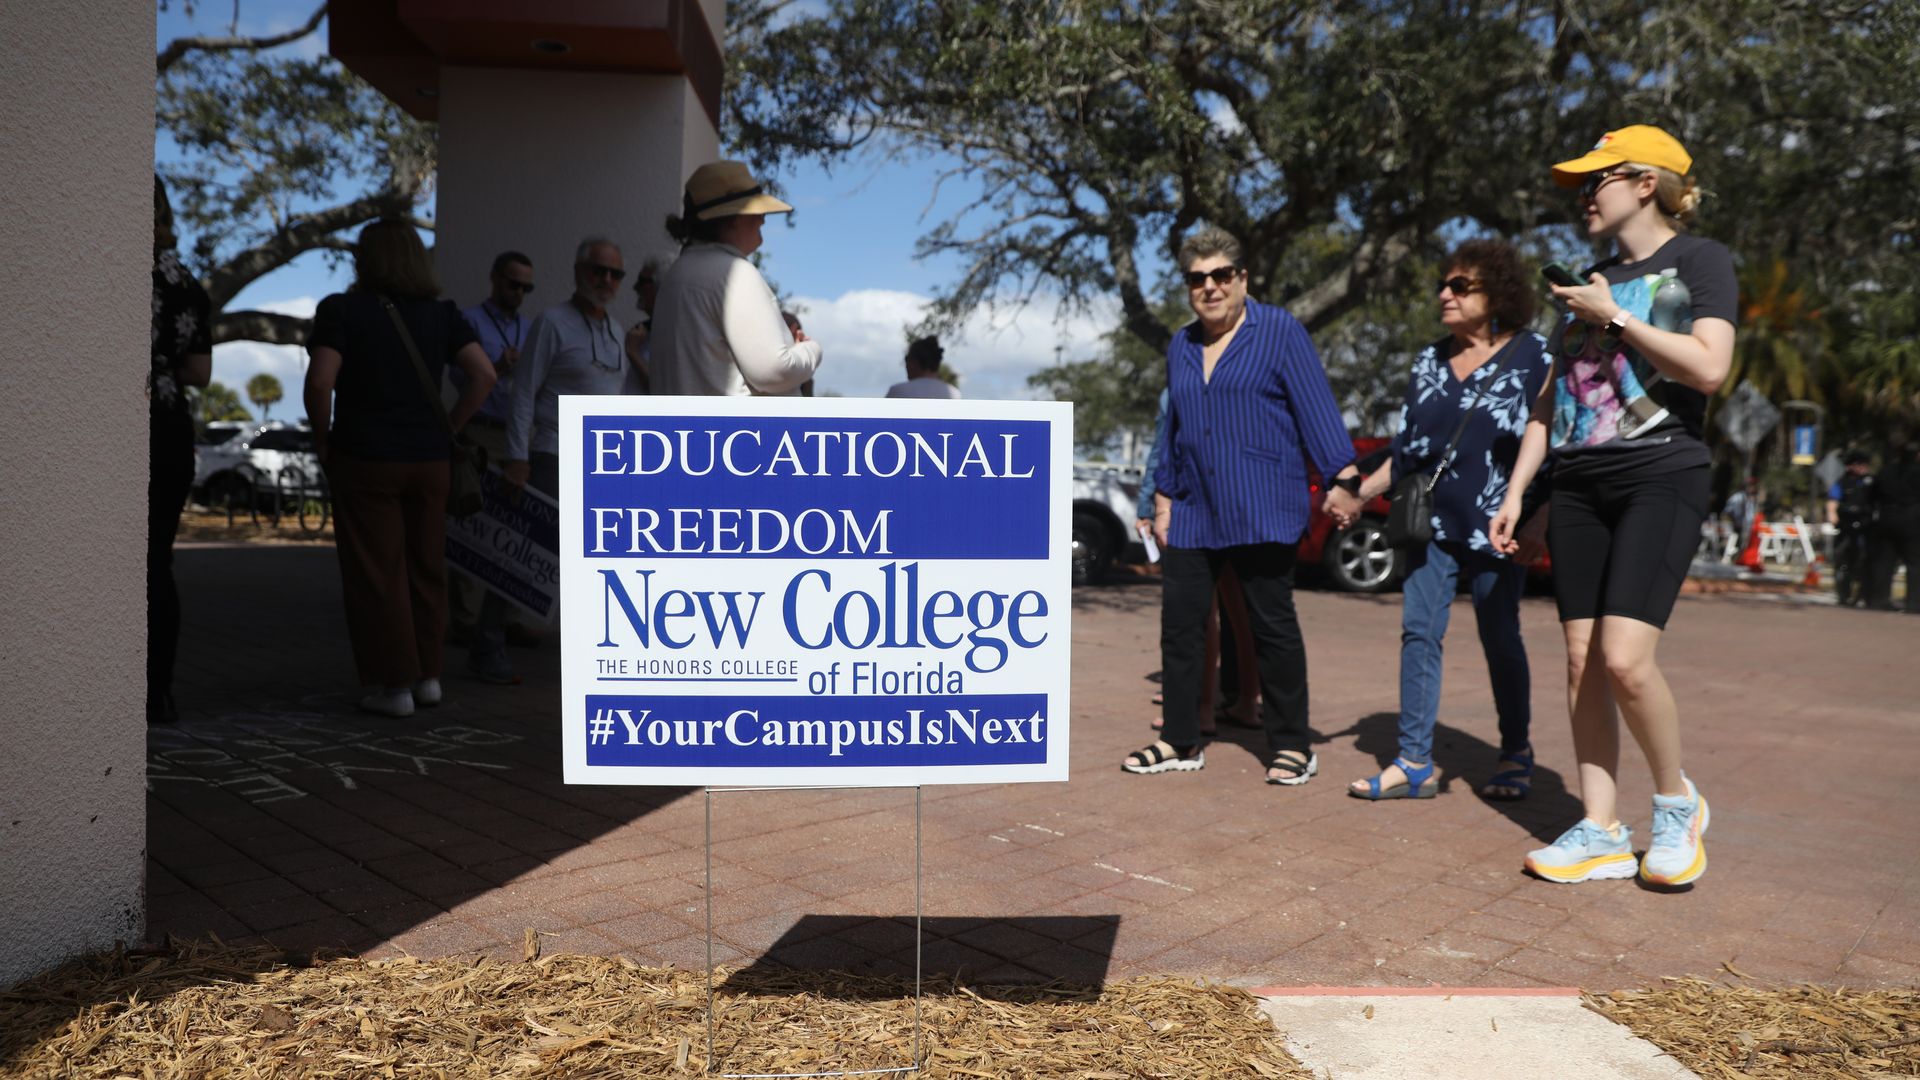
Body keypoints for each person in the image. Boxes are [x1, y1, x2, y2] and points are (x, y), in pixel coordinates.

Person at [1490, 125, 1736, 887]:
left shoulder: (1700, 261)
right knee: (1579, 662)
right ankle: (1599, 827)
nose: (1583, 197)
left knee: (1627, 663)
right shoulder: (1586, 279)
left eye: (1595, 181)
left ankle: (1675, 804)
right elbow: (1548, 405)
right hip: (1581, 483)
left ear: (1643, 183)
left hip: (1661, 473)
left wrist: (1616, 317)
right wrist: (1519, 493)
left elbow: (1709, 369)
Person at [1123, 226, 1362, 785]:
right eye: (1197, 278)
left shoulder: (1278, 331)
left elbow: (1316, 409)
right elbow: (1174, 430)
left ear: (1242, 279)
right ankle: (1180, 739)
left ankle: (1292, 745)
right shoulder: (1180, 345)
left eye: (1221, 275)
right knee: (1180, 629)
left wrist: (1344, 476)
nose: (1209, 287)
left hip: (1261, 502)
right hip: (1192, 507)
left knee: (1270, 627)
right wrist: (1162, 496)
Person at [1326, 240, 1552, 801]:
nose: (1444, 295)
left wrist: (1539, 521)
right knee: (1419, 633)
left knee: (1500, 636)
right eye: (1443, 285)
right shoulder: (1430, 361)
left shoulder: (1535, 356)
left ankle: (1515, 750)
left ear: (1496, 294)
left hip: (1499, 527)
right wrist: (1357, 493)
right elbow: (1409, 452)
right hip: (1431, 527)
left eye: (1460, 286)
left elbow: (1554, 444)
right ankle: (1414, 761)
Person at [304, 219, 496, 717]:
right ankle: (429, 677)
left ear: (365, 259)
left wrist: (323, 441)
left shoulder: (340, 310)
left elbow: (322, 381)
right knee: (426, 565)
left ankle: (395, 687)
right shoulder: (442, 314)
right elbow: (484, 374)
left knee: (377, 572)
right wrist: (449, 427)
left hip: (366, 459)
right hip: (430, 461)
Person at [489, 236, 631, 682]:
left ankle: (596, 652)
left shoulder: (617, 331)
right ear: (578, 271)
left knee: (591, 560)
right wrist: (516, 455)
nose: (606, 281)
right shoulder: (552, 322)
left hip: (601, 463)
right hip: (552, 453)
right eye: (598, 271)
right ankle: (487, 642)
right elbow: (523, 392)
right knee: (529, 552)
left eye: (615, 274)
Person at [651, 160, 822, 396]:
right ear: (735, 217)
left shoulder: (676, 274)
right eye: (756, 211)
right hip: (739, 431)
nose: (762, 219)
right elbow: (773, 372)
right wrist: (810, 350)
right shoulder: (733, 273)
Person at [149, 177, 213, 725]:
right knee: (156, 562)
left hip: (120, 431)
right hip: (170, 433)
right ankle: (157, 690)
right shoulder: (187, 285)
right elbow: (200, 372)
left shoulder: (111, 272)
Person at [447, 251, 535, 646]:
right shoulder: (469, 321)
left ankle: (506, 617)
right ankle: (464, 619)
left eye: (526, 287)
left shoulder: (531, 328)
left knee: (514, 531)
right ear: (495, 279)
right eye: (513, 283)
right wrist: (496, 367)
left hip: (515, 434)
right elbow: (460, 380)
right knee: (470, 524)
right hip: (478, 431)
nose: (519, 292)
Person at [1866, 429, 1920, 613]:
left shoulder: (1886, 471)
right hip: (1912, 520)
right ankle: (1914, 603)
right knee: (1914, 563)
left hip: (1886, 518)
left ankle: (1879, 599)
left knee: (1884, 561)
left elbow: (1872, 494)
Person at [1826, 450, 1875, 607]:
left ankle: (1861, 595)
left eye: (1864, 464)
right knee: (1842, 562)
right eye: (1859, 464)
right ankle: (1843, 595)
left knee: (1863, 563)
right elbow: (1832, 502)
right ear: (1850, 466)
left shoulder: (1871, 482)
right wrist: (1833, 517)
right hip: (1846, 528)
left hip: (1865, 529)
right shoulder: (1842, 482)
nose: (1862, 468)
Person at [622, 256, 666, 395]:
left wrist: (634, 353)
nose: (635, 287)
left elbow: (664, 391)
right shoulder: (644, 331)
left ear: (662, 287)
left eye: (642, 282)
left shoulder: (677, 336)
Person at [886, 336, 962, 399]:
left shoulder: (898, 392)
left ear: (914, 362)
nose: (906, 365)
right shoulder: (955, 394)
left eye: (907, 359)